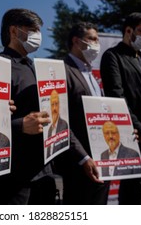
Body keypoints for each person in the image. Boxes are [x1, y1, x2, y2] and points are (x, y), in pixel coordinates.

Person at [0, 8, 56, 205]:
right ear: (14, 32)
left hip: (44, 173)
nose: (38, 36)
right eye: (32, 30)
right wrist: (20, 126)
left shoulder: (37, 68)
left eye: (39, 30)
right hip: (13, 178)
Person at [100, 12, 141, 204]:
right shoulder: (112, 57)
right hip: (134, 137)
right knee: (135, 194)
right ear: (128, 31)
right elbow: (116, 97)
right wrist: (140, 128)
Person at [53, 21, 108, 205]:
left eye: (97, 40)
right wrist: (82, 157)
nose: (96, 44)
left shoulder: (91, 74)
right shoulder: (63, 70)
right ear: (76, 41)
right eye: (92, 39)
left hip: (102, 158)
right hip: (79, 163)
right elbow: (59, 120)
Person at [46, 90, 68, 158]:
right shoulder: (49, 128)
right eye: (52, 104)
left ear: (59, 105)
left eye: (56, 104)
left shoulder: (64, 125)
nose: (54, 108)